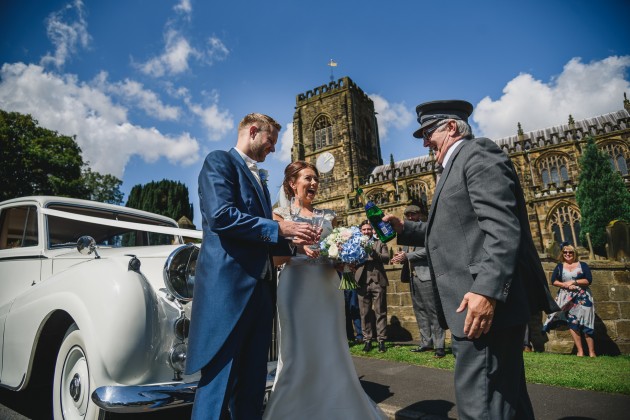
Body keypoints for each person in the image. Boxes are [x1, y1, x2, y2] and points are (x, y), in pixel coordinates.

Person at [382, 100, 559, 420]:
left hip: (480, 306)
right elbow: (457, 229)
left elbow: (504, 230)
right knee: (508, 401)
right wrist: (404, 228)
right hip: (476, 306)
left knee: (480, 406)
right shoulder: (455, 165)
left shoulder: (478, 154)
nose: (424, 142)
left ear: (451, 127)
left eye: (427, 132)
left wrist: (487, 291)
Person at [186, 114, 316, 420]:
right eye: (270, 140)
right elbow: (221, 216)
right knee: (219, 384)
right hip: (229, 291)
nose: (273, 148)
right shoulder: (219, 162)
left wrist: (297, 240)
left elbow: (261, 236)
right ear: (253, 132)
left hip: (260, 292)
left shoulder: (260, 179)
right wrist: (280, 229)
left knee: (253, 385)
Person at [263, 161, 386, 419]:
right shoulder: (278, 216)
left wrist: (343, 258)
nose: (314, 183)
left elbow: (336, 260)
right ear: (291, 183)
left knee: (332, 346)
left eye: (316, 179)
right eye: (308, 178)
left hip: (328, 287)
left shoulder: (330, 216)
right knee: (297, 350)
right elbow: (274, 261)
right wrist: (296, 248)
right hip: (296, 287)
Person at [391, 205, 446, 358]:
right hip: (412, 276)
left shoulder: (427, 229)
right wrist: (400, 256)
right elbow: (408, 253)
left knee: (433, 312)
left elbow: (430, 249)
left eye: (413, 214)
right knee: (420, 311)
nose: (410, 217)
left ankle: (439, 345)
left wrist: (407, 256)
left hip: (426, 275)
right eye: (407, 215)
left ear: (420, 215)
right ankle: (425, 343)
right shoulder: (407, 233)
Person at [542, 243, 596, 357]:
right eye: (565, 252)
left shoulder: (583, 265)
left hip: (583, 297)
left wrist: (574, 282)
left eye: (570, 252)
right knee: (573, 322)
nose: (568, 254)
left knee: (587, 321)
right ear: (562, 254)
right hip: (567, 299)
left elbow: (588, 280)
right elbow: (554, 281)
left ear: (574, 253)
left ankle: (592, 352)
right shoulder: (560, 266)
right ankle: (580, 351)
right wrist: (565, 285)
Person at [355, 221, 390, 353]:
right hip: (362, 281)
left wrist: (374, 253)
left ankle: (381, 340)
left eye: (369, 229)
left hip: (378, 281)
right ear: (360, 231)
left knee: (380, 311)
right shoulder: (355, 243)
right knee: (364, 314)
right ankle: (367, 340)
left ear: (372, 230)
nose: (366, 232)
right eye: (364, 229)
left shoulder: (380, 242)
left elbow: (386, 258)